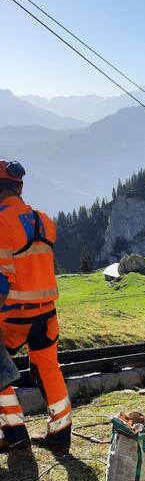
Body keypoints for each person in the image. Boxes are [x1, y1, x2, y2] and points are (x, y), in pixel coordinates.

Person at [0, 160, 72, 454]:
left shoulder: (1, 221)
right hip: (46, 314)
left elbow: (3, 278)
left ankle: (15, 434)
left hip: (14, 316)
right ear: (19, 187)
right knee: (48, 369)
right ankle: (60, 434)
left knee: (1, 371)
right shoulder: (43, 220)